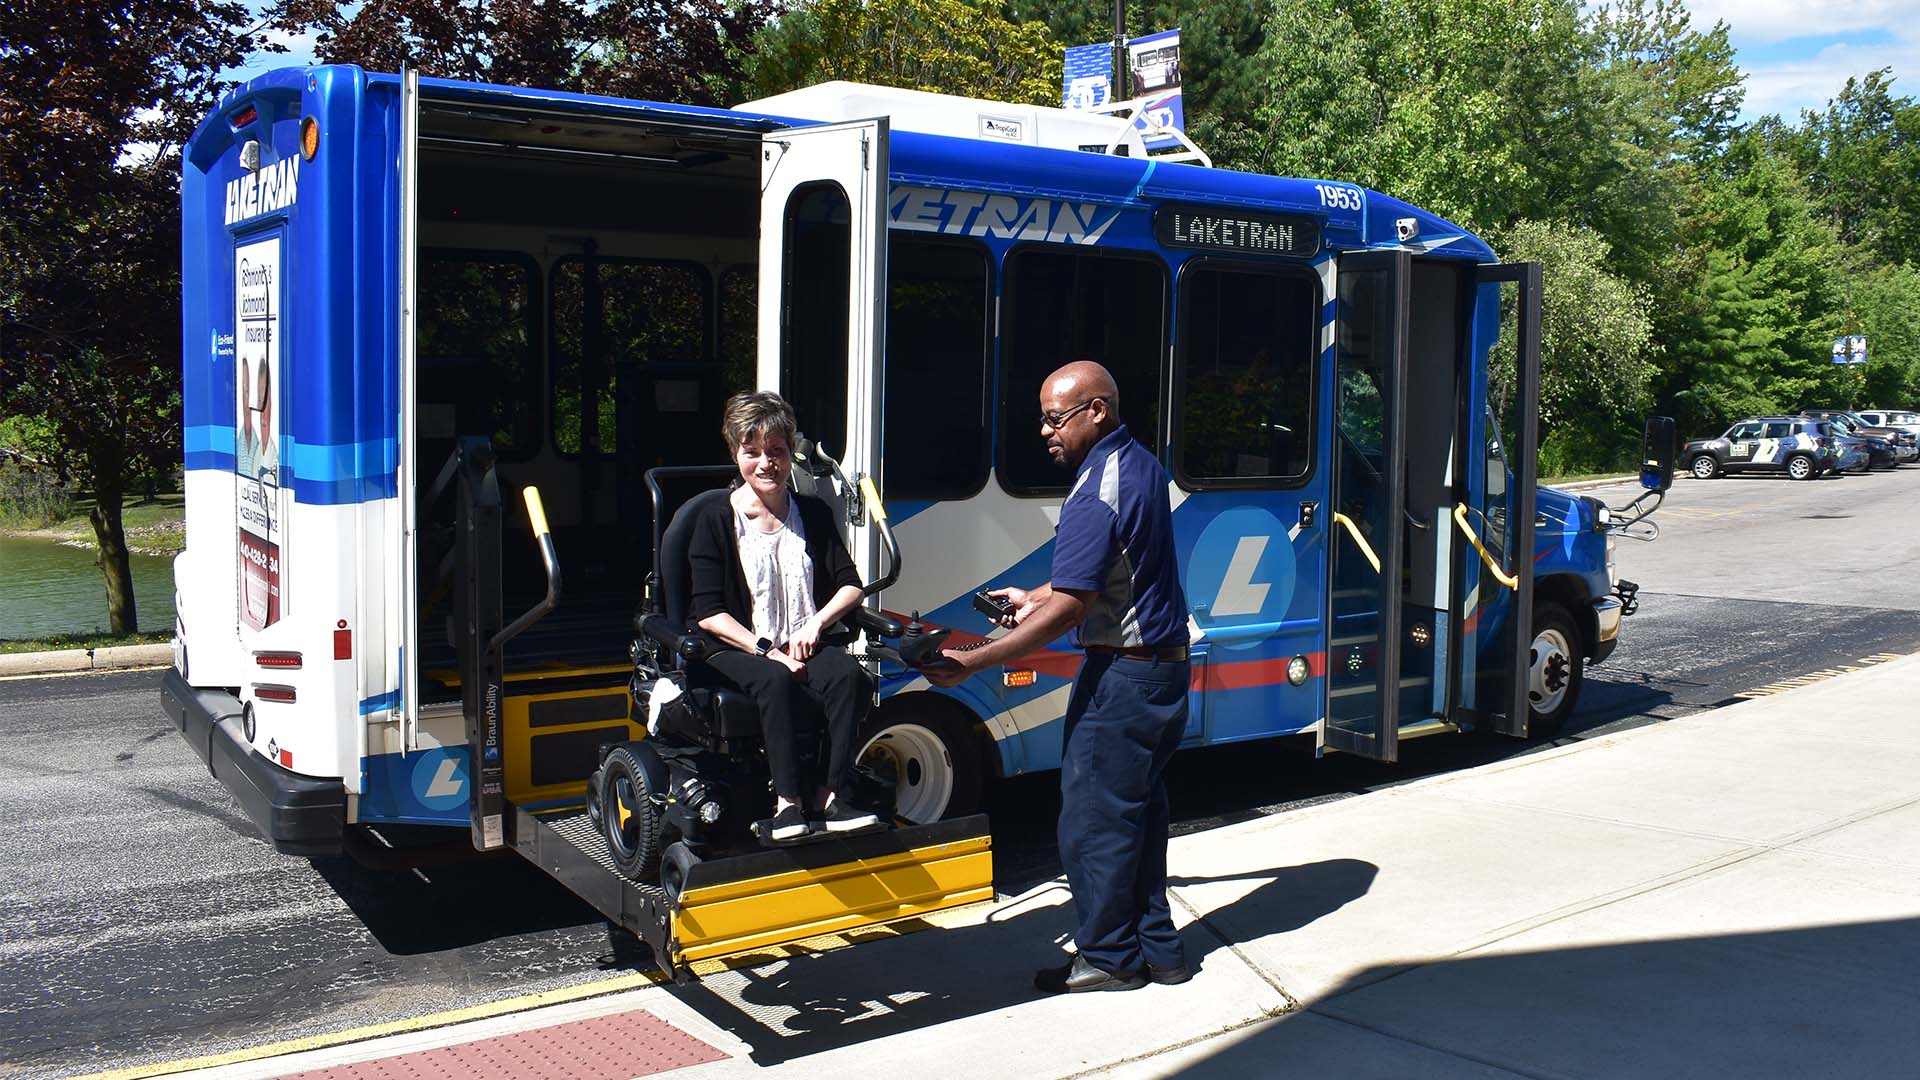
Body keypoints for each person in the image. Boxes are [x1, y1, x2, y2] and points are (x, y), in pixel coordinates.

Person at [924, 360, 1192, 993]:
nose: (1045, 431)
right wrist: (1036, 592)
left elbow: (1074, 606)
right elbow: (1094, 576)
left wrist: (974, 661)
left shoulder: (1093, 489)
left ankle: (1108, 958)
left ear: (1097, 410)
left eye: (1055, 418)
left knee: (1094, 821)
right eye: (1042, 418)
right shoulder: (1142, 466)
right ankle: (1160, 950)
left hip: (1122, 677)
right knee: (1140, 817)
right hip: (1164, 675)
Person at [687, 391, 880, 841]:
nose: (765, 463)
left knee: (848, 676)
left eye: (775, 451)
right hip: (737, 644)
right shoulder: (714, 518)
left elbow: (851, 583)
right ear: (736, 453)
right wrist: (767, 651)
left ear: (789, 452)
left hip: (801, 637)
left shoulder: (810, 513)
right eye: (751, 452)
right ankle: (787, 805)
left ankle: (830, 796)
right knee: (773, 680)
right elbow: (708, 614)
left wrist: (815, 624)